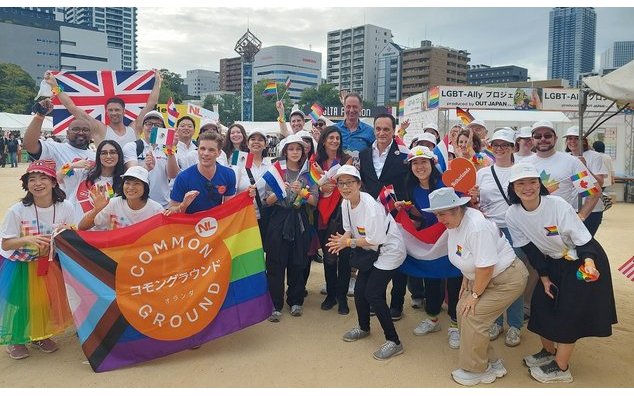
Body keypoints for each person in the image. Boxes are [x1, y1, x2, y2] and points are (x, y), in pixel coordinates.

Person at [505, 162, 617, 384]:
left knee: (568, 312)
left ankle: (561, 367)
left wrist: (589, 263)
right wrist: (544, 278)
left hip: (583, 261)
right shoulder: (512, 214)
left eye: (532, 182)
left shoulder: (557, 205)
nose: (527, 187)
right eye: (521, 183)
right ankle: (548, 352)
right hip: (554, 262)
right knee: (540, 303)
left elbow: (583, 239)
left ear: (540, 184)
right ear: (513, 188)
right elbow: (531, 249)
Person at [422, 187, 528, 386]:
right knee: (462, 310)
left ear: (457, 208)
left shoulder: (476, 226)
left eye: (442, 213)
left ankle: (477, 369)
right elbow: (467, 256)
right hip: (483, 278)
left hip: (506, 279)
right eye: (437, 214)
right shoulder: (455, 223)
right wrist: (467, 278)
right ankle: (490, 362)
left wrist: (475, 295)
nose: (439, 219)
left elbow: (486, 266)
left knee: (473, 314)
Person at [326, 164, 406, 361]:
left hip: (389, 250)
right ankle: (363, 327)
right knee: (360, 291)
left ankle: (394, 341)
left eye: (350, 182)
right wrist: (341, 242)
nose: (345, 187)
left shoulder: (370, 207)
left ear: (359, 184)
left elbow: (375, 239)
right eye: (341, 183)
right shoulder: (345, 203)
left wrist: (347, 242)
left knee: (373, 293)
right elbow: (348, 229)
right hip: (370, 251)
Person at [0, 160, 75, 360]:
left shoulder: (65, 206)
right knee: (24, 302)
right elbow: (6, 244)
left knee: (46, 301)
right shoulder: (17, 210)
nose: (38, 183)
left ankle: (39, 335)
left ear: (53, 181)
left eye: (43, 178)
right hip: (22, 265)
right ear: (26, 184)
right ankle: (15, 339)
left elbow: (70, 234)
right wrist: (27, 239)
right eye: (32, 179)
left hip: (50, 262)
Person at [398, 146, 463, 349]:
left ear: (432, 164)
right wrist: (407, 212)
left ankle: (454, 324)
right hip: (430, 243)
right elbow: (418, 220)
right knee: (431, 280)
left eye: (423, 162)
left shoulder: (446, 183)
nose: (419, 166)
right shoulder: (410, 188)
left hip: (452, 238)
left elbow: (462, 205)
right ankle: (433, 319)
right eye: (415, 163)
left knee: (454, 281)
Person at [472, 128, 526, 347]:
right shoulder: (483, 172)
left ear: (513, 147)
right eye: (496, 145)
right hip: (490, 229)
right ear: (491, 147)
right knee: (491, 276)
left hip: (516, 229)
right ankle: (495, 321)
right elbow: (475, 203)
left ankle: (514, 325)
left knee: (514, 279)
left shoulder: (520, 171)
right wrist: (474, 199)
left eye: (505, 145)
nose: (500, 149)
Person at [358, 113, 409, 320]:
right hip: (372, 215)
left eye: (386, 129)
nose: (381, 133)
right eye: (378, 129)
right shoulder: (363, 154)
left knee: (397, 259)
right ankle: (375, 299)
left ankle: (397, 303)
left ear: (394, 131)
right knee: (374, 255)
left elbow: (408, 182)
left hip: (397, 213)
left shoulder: (404, 154)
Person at [263, 135, 318, 321]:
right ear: (285, 151)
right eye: (291, 149)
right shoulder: (277, 170)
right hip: (279, 218)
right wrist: (281, 192)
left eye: (298, 149)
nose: (295, 152)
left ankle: (296, 301)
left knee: (298, 261)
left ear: (303, 152)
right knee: (275, 262)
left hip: (300, 219)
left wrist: (301, 192)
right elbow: (267, 201)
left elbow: (314, 200)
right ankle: (275, 304)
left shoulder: (308, 173)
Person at [43, 69, 162, 147]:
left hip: (130, 181)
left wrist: (157, 82)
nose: (114, 113)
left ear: (124, 111)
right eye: (110, 110)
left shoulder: (134, 128)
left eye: (117, 110)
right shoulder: (99, 129)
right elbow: (72, 108)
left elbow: (151, 104)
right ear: (106, 112)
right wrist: (54, 85)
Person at [524, 121, 600, 234]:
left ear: (556, 138)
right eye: (538, 136)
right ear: (532, 140)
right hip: (529, 225)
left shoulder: (571, 162)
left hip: (559, 226)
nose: (543, 139)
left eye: (548, 135)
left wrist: (581, 217)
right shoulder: (523, 164)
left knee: (560, 252)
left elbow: (592, 192)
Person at [23, 99, 97, 200]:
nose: (81, 132)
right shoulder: (55, 148)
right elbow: (29, 145)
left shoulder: (96, 156)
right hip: (60, 207)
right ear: (67, 133)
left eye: (85, 130)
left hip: (86, 210)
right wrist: (40, 116)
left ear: (91, 134)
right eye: (76, 129)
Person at [314, 126, 353, 315]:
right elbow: (312, 186)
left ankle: (342, 297)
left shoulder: (346, 160)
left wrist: (332, 185)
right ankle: (331, 294)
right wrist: (321, 187)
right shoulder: (316, 161)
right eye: (331, 137)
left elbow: (350, 184)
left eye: (337, 138)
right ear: (323, 140)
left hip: (343, 213)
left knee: (344, 258)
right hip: (322, 214)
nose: (335, 141)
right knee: (329, 259)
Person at [166, 132, 237, 215]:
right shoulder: (183, 177)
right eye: (202, 149)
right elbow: (171, 210)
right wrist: (183, 205)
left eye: (211, 150)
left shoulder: (228, 174)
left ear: (219, 153)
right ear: (197, 150)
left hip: (217, 224)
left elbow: (229, 208)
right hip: (191, 225)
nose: (206, 153)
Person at [58, 139, 125, 224]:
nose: (108, 156)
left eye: (113, 152)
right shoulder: (85, 172)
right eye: (104, 153)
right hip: (74, 229)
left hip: (99, 232)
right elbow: (57, 177)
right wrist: (71, 165)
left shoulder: (123, 182)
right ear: (98, 156)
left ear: (119, 155)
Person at [122, 110, 179, 208]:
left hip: (163, 205)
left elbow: (173, 175)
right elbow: (132, 174)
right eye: (149, 124)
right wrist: (146, 167)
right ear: (143, 127)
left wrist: (170, 150)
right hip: (138, 205)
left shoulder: (168, 149)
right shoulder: (132, 147)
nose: (152, 127)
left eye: (157, 125)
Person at [78, 166, 163, 230]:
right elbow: (82, 227)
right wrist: (96, 210)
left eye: (137, 183)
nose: (130, 187)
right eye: (127, 183)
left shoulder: (156, 209)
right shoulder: (112, 204)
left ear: (146, 187)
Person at [563, 126, 608, 236]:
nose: (572, 141)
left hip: (591, 209)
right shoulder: (564, 157)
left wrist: (584, 168)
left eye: (576, 138)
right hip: (570, 208)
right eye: (569, 138)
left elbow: (600, 183)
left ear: (584, 141)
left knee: (585, 242)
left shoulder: (595, 156)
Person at [235, 130, 272, 239]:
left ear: (265, 145)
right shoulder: (238, 158)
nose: (256, 142)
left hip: (264, 216)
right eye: (253, 139)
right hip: (242, 216)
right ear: (247, 143)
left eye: (260, 140)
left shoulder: (270, 163)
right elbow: (232, 186)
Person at [336, 92, 375, 161]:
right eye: (348, 107)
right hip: (337, 171)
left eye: (355, 107)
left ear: (361, 108)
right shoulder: (334, 130)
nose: (351, 110)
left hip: (362, 171)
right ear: (344, 108)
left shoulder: (370, 132)